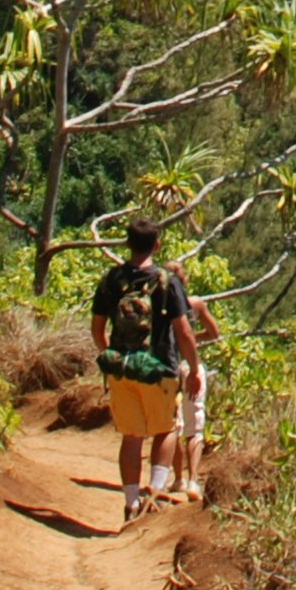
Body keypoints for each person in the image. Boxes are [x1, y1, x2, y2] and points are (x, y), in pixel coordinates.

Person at [88, 221, 188, 528]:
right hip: (159, 368)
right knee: (167, 429)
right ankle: (154, 493)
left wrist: (114, 357)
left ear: (127, 243)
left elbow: (97, 327)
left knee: (131, 437)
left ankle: (130, 503)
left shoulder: (112, 279)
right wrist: (194, 369)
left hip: (123, 368)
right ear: (156, 244)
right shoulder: (166, 281)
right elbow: (183, 331)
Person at [170, 279, 222, 505]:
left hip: (168, 367)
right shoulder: (196, 304)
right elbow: (214, 333)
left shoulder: (157, 307)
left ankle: (178, 478)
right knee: (195, 426)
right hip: (191, 366)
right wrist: (191, 340)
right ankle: (193, 480)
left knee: (172, 425)